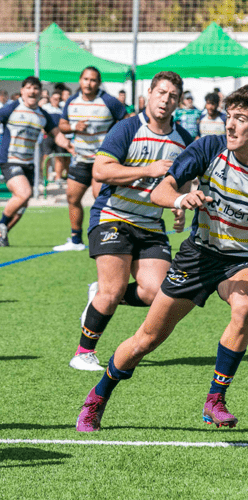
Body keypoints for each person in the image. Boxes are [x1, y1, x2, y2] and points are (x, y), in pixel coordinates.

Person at [77, 84, 248, 432]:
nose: (230, 125)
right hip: (199, 255)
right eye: (229, 117)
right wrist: (179, 201)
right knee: (146, 340)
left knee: (245, 307)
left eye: (241, 119)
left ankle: (215, 398)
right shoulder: (210, 147)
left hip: (240, 259)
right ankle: (98, 395)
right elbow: (161, 189)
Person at [69, 71, 193, 372]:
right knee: (111, 292)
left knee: (157, 293)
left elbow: (184, 183)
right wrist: (147, 171)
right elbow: (101, 171)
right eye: (160, 92)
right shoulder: (126, 128)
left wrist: (178, 205)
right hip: (113, 216)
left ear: (178, 102)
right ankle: (84, 353)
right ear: (149, 94)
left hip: (150, 224)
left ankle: (98, 294)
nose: (165, 100)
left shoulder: (184, 140)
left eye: (172, 96)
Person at [0, 76, 73, 247]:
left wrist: (70, 146)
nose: (32, 91)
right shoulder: (12, 108)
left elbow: (57, 134)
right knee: (24, 193)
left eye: (35, 88)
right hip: (10, 161)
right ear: (22, 90)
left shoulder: (43, 115)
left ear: (40, 92)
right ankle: (0, 223)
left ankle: (0, 234)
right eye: (29, 87)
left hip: (28, 164)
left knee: (22, 204)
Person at [53, 67, 126, 252]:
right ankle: (76, 240)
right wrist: (73, 127)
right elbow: (62, 124)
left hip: (102, 160)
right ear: (80, 80)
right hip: (80, 158)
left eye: (93, 80)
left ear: (98, 83)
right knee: (72, 197)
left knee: (100, 198)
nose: (88, 83)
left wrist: (116, 143)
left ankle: (109, 237)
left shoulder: (109, 101)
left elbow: (126, 122)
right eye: (85, 79)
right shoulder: (72, 100)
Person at [40, 89, 69, 184]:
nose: (56, 100)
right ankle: (45, 178)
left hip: (58, 136)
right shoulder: (45, 108)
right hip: (47, 136)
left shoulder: (62, 109)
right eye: (54, 98)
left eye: (58, 99)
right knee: (46, 157)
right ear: (51, 98)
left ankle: (58, 178)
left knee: (59, 157)